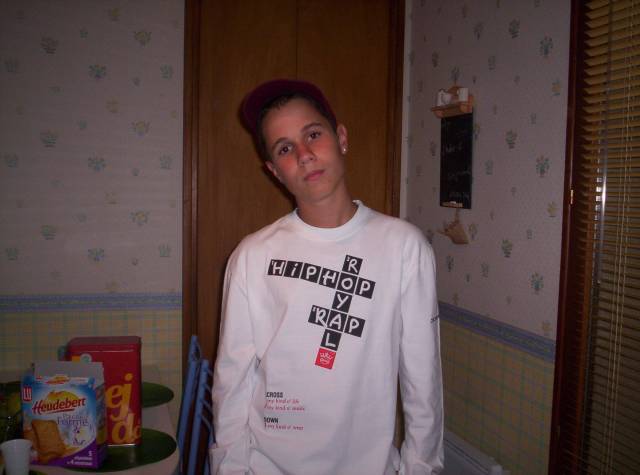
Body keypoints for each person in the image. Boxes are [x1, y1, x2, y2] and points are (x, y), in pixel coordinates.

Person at [211, 79, 443, 475]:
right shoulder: (251, 256)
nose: (304, 155)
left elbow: (424, 382)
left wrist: (421, 468)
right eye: (285, 149)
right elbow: (232, 382)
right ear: (274, 171)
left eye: (313, 135)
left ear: (341, 138)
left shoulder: (404, 247)